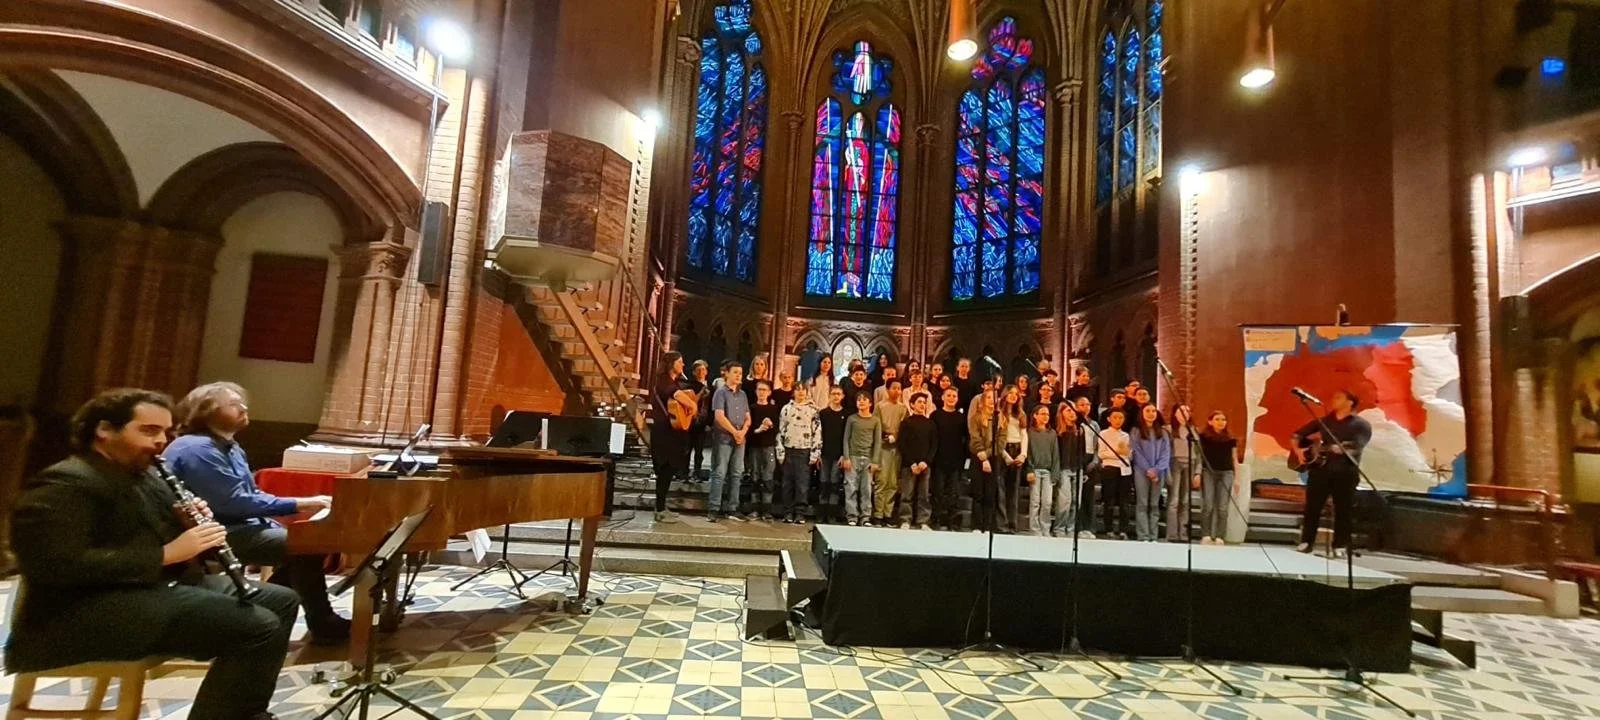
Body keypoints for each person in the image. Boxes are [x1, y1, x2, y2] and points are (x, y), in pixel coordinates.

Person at [8, 389, 300, 720]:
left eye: (165, 432)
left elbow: (154, 532)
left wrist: (186, 523)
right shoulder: (64, 484)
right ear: (104, 430)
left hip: (144, 590)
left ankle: (245, 712)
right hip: (81, 613)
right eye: (149, 431)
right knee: (256, 626)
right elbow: (57, 565)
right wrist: (165, 554)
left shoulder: (145, 474)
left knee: (281, 601)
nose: (161, 441)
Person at [165, 382, 347, 643]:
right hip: (216, 532)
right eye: (233, 404)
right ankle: (321, 622)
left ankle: (270, 607)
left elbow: (250, 494)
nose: (243, 408)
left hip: (240, 524)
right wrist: (302, 503)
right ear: (206, 411)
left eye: (242, 403)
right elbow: (234, 503)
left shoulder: (230, 446)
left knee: (306, 545)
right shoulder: (198, 449)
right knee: (306, 545)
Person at [1292, 389, 1372, 556]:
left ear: (1350, 402)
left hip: (1345, 472)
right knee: (1312, 507)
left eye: (1338, 397)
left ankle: (1340, 545)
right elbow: (1296, 435)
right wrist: (1299, 451)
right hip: (1320, 470)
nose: (1333, 399)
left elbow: (1356, 446)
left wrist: (1341, 449)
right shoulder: (1325, 421)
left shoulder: (1361, 425)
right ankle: (1306, 542)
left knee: (1343, 509)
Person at [643, 353, 695, 523]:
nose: (683, 365)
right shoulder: (664, 381)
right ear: (671, 364)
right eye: (680, 362)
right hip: (663, 433)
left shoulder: (673, 381)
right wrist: (693, 405)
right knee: (665, 470)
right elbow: (678, 396)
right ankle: (659, 509)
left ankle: (662, 506)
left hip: (670, 433)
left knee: (669, 470)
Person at [707, 361, 751, 522]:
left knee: (736, 473)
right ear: (727, 373)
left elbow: (747, 417)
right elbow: (719, 416)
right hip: (724, 438)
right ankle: (714, 508)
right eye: (735, 372)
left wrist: (742, 432)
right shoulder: (720, 393)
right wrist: (734, 432)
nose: (738, 375)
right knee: (719, 472)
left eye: (740, 373)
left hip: (739, 439)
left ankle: (732, 507)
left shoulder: (743, 395)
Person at [776, 383, 821, 524]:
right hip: (789, 449)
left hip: (804, 450)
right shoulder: (786, 409)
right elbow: (780, 431)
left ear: (807, 392)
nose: (801, 392)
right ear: (793, 392)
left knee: (802, 484)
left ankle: (800, 513)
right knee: (787, 484)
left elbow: (817, 432)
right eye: (798, 390)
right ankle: (788, 512)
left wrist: (815, 453)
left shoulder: (813, 410)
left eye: (803, 390)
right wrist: (780, 451)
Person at [1054, 403, 1099, 538]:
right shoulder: (1058, 431)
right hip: (1064, 469)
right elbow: (1056, 453)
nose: (1072, 413)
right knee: (1065, 500)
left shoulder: (1080, 430)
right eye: (1068, 410)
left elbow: (1082, 451)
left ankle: (1071, 527)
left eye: (1073, 411)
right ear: (1062, 413)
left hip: (1077, 468)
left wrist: (1083, 469)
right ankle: (1060, 527)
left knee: (1076, 501)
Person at [896, 391, 937, 530]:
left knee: (924, 495)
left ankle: (923, 520)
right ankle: (905, 519)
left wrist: (926, 462)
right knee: (907, 494)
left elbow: (934, 445)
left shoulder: (930, 424)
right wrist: (912, 463)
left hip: (925, 465)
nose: (922, 405)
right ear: (912, 404)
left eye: (924, 402)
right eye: (919, 402)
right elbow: (902, 444)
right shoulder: (906, 423)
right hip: (909, 465)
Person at [1198, 411, 1240, 544]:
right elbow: (1198, 456)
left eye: (1223, 419)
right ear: (1210, 422)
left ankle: (1220, 536)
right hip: (1208, 472)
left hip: (1226, 473)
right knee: (1208, 505)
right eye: (1217, 419)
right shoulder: (1203, 437)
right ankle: (1205, 534)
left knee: (1222, 507)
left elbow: (1234, 458)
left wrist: (1237, 478)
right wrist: (1197, 473)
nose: (1221, 422)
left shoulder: (1231, 439)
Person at [930, 387, 969, 531]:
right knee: (938, 492)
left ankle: (952, 521)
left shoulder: (961, 418)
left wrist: (964, 459)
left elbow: (965, 439)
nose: (951, 398)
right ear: (943, 397)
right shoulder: (935, 415)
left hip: (956, 460)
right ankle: (936, 519)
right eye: (949, 395)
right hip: (939, 459)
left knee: (954, 493)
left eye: (954, 396)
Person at [1130, 404, 1170, 542]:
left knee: (1154, 504)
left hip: (1158, 472)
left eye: (1153, 411)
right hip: (1142, 471)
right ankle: (1143, 535)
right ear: (1142, 413)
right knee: (1142, 503)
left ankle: (1153, 535)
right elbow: (1136, 451)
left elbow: (1166, 453)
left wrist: (1157, 469)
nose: (1151, 413)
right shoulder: (1136, 431)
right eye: (1147, 411)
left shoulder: (1163, 432)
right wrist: (1148, 469)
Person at [841, 391, 882, 526]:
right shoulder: (852, 419)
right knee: (850, 487)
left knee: (867, 489)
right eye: (859, 400)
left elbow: (877, 442)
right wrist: (846, 457)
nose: (861, 402)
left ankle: (865, 517)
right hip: (853, 457)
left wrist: (875, 461)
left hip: (868, 459)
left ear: (870, 403)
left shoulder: (875, 420)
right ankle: (852, 516)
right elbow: (846, 439)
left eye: (864, 399)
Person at [872, 380, 909, 524]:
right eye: (894, 388)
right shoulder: (880, 406)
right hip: (883, 447)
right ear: (887, 390)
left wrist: (897, 437)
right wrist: (885, 436)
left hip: (897, 448)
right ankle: (878, 513)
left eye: (899, 388)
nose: (897, 391)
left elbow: (905, 428)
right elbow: (876, 425)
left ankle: (888, 513)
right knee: (881, 480)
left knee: (893, 482)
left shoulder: (903, 408)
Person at [967, 390, 1004, 533]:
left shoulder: (1002, 419)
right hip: (978, 457)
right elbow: (974, 438)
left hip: (993, 458)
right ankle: (977, 525)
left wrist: (987, 455)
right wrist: (982, 456)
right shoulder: (975, 418)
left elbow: (1000, 442)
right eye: (988, 398)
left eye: (993, 398)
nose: (991, 400)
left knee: (990, 494)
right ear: (983, 400)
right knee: (978, 493)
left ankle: (988, 526)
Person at [746, 380, 781, 521]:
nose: (761, 392)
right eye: (759, 389)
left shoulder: (774, 409)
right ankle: (754, 508)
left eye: (764, 390)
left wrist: (771, 425)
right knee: (755, 476)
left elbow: (778, 428)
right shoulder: (751, 408)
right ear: (755, 391)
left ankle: (767, 510)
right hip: (754, 446)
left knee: (768, 477)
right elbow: (747, 429)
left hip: (769, 446)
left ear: (769, 392)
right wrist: (758, 429)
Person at [1023, 404, 1060, 537]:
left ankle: (1045, 528)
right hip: (1035, 470)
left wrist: (1055, 474)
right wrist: (1030, 469)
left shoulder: (1052, 433)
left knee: (1047, 502)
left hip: (1048, 472)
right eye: (1043, 414)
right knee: (1035, 502)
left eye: (1047, 414)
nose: (1046, 417)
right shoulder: (1030, 432)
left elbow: (1055, 454)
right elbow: (1028, 452)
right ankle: (1034, 529)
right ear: (1035, 415)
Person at [997, 385, 1029, 533]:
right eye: (1010, 393)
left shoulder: (1020, 413)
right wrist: (1005, 455)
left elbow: (1024, 434)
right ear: (1005, 395)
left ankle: (1012, 523)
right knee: (1000, 490)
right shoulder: (999, 412)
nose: (1013, 396)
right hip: (1003, 449)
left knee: (1013, 490)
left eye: (1016, 394)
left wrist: (1023, 454)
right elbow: (997, 436)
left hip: (1017, 449)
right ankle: (1001, 524)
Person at [1096, 407, 1132, 539]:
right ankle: (1108, 529)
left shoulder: (1126, 435)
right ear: (1109, 419)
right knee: (1109, 501)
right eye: (1115, 417)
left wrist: (1126, 453)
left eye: (1121, 418)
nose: (1118, 420)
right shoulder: (1104, 433)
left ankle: (1123, 530)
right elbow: (1102, 453)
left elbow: (1128, 455)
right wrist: (1117, 452)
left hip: (1124, 470)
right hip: (1110, 468)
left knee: (1124, 502)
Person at [818, 386, 850, 524]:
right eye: (833, 394)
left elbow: (847, 437)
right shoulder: (823, 413)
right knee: (823, 483)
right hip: (824, 454)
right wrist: (818, 453)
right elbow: (818, 434)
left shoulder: (846, 415)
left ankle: (831, 514)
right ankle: (821, 513)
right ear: (829, 395)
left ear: (842, 396)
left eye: (838, 394)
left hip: (838, 455)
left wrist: (844, 455)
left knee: (834, 484)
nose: (836, 396)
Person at [1166, 404, 1199, 542]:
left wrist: (1198, 472)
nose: (1185, 413)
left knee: (1185, 500)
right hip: (1175, 463)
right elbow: (1165, 451)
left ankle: (1183, 533)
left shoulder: (1193, 430)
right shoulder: (1168, 429)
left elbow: (1199, 453)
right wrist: (1166, 471)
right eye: (1181, 410)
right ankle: (1172, 534)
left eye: (1187, 410)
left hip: (1190, 464)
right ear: (1175, 413)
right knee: (1174, 500)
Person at [687, 360, 712, 482]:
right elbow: (690, 402)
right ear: (694, 372)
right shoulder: (690, 386)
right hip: (690, 420)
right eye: (698, 370)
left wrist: (709, 423)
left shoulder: (711, 387)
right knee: (687, 448)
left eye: (703, 370)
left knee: (699, 449)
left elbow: (712, 406)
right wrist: (702, 392)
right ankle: (684, 472)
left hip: (703, 421)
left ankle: (697, 472)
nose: (701, 372)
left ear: (706, 372)